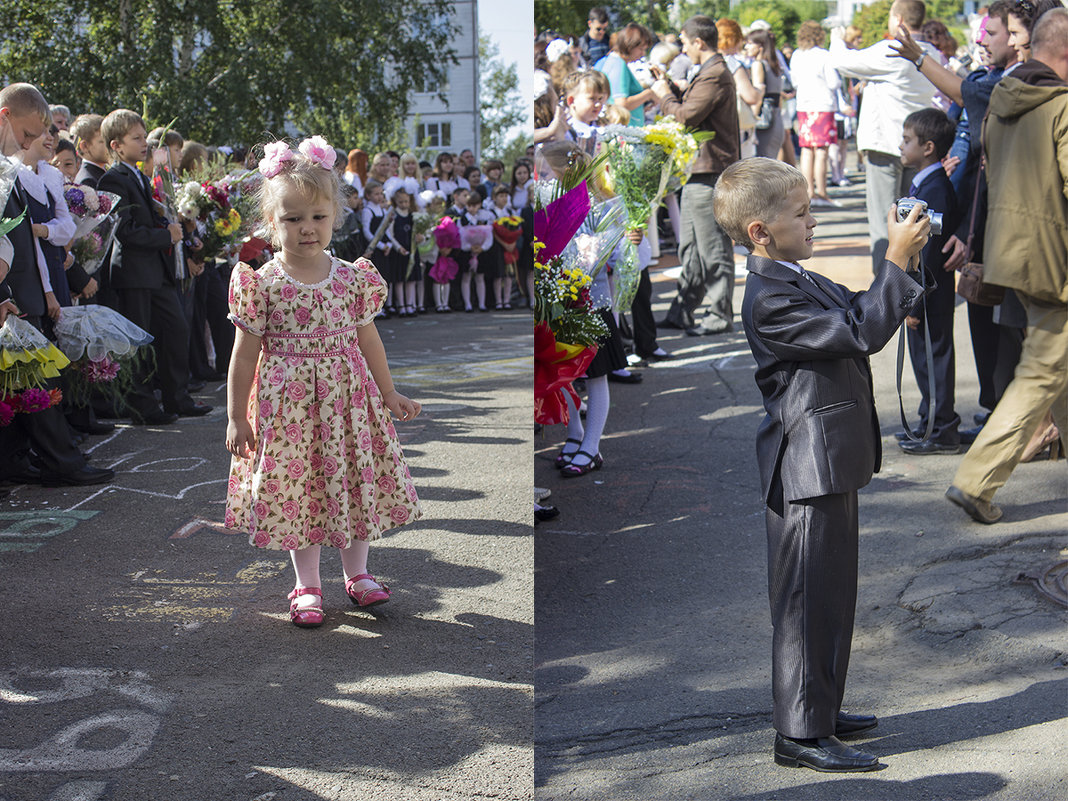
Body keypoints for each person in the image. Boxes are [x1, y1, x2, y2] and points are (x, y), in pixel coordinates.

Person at [715, 156, 931, 772]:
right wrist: (894, 257)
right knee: (806, 600)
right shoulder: (768, 297)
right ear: (760, 230)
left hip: (829, 459)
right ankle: (800, 733)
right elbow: (859, 331)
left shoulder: (793, 275)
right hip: (805, 465)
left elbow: (864, 307)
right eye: (802, 213)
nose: (813, 222)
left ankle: (822, 707)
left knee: (832, 592)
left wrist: (906, 261)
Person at [225, 138, 422, 628]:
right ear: (272, 224)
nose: (306, 228)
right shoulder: (262, 282)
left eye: (316, 216)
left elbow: (369, 340)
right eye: (292, 219)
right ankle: (307, 585)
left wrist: (389, 391)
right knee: (301, 488)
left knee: (354, 480)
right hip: (288, 409)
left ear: (335, 215)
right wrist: (234, 416)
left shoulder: (352, 279)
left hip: (349, 401)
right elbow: (244, 354)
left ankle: (358, 574)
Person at [946, 7, 1068, 524]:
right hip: (1054, 257)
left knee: (1056, 366)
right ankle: (976, 480)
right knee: (1043, 369)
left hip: (1012, 251)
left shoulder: (1002, 98)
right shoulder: (1060, 105)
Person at [892, 2, 1024, 439]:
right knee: (987, 329)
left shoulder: (1007, 86)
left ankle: (970, 420)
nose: (982, 40)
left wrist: (918, 57)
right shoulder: (991, 82)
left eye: (995, 32)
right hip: (974, 224)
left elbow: (964, 91)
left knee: (997, 332)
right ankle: (992, 410)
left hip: (988, 230)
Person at [0, 82, 113, 487]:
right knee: (33, 381)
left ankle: (15, 459)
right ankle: (61, 462)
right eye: (27, 134)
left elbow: (24, 239)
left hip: (24, 290)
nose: (31, 142)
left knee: (21, 383)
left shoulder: (10, 169)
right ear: (5, 116)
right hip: (13, 293)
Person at [97, 108, 211, 423]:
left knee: (176, 328)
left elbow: (152, 218)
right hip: (133, 273)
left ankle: (177, 397)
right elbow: (125, 231)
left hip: (156, 272)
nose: (143, 143)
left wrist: (178, 230)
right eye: (135, 138)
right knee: (139, 342)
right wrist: (165, 236)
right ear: (117, 145)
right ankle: (143, 406)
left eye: (142, 136)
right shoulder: (113, 178)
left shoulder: (137, 175)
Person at [650, 15, 740, 336]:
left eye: (685, 43)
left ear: (698, 42)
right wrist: (672, 87)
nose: (682, 49)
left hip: (709, 171)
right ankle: (682, 311)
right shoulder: (710, 72)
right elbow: (694, 107)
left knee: (713, 248)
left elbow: (687, 116)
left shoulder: (714, 74)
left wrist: (663, 94)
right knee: (690, 248)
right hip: (699, 170)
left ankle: (719, 314)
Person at [833, 0, 939, 273]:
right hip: (919, 148)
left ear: (899, 19)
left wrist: (836, 37)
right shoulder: (933, 54)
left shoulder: (893, 49)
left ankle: (884, 287)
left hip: (885, 145)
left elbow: (843, 62)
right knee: (913, 219)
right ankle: (910, 282)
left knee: (885, 220)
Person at [896, 108, 962, 455]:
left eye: (908, 140)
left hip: (930, 294)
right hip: (926, 292)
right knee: (924, 360)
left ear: (928, 147)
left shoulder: (935, 189)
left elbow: (928, 255)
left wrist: (913, 300)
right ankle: (929, 421)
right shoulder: (927, 182)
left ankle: (942, 429)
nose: (901, 145)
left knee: (934, 360)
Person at [791, 21, 842, 207]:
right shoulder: (824, 55)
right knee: (821, 150)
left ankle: (808, 192)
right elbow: (834, 82)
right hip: (823, 104)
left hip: (804, 104)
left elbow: (794, 80)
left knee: (806, 150)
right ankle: (822, 192)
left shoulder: (797, 55)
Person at [594, 24, 659, 127]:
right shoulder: (619, 65)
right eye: (641, 49)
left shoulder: (605, 61)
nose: (643, 54)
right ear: (630, 45)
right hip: (625, 130)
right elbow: (621, 103)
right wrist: (648, 94)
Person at [745, 28, 787, 160]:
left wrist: (752, 119)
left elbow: (759, 94)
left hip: (764, 119)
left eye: (750, 43)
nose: (746, 47)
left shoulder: (758, 65)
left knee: (762, 164)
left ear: (760, 46)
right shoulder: (774, 65)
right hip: (777, 118)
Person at [70, 113, 109, 188]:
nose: (110, 146)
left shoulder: (101, 172)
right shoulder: (88, 181)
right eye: (103, 141)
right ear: (84, 146)